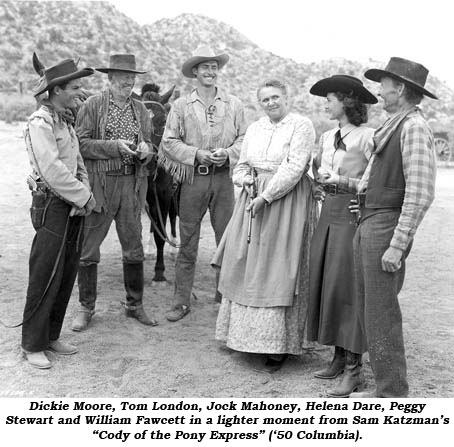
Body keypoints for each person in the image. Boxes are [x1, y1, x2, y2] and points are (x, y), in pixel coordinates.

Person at [212, 79, 317, 372]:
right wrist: (243, 179)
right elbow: (242, 164)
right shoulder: (256, 128)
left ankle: (279, 345)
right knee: (245, 263)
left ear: (287, 97)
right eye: (265, 100)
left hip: (286, 200)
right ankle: (243, 337)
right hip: (253, 197)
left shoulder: (301, 125)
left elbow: (296, 166)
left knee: (278, 267)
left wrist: (267, 196)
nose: (271, 103)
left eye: (275, 97)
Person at [347, 57, 437, 397]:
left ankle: (391, 392)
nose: (379, 92)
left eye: (383, 85)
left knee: (381, 310)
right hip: (372, 221)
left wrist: (398, 244)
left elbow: (419, 191)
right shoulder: (395, 125)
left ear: (399, 88)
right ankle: (387, 386)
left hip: (385, 227)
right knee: (372, 306)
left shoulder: (412, 127)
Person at [160, 45, 247, 322]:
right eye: (204, 67)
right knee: (188, 242)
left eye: (214, 67)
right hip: (193, 178)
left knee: (227, 240)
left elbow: (245, 139)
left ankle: (226, 297)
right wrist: (196, 153)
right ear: (195, 72)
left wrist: (228, 154)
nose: (210, 71)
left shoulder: (234, 104)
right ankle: (181, 300)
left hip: (223, 180)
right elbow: (169, 141)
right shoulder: (181, 105)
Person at [72, 54, 156, 331]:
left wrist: (146, 151)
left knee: (134, 249)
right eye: (122, 78)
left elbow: (150, 146)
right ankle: (86, 307)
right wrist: (114, 146)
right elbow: (81, 145)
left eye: (131, 79)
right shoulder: (93, 105)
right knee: (88, 250)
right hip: (101, 184)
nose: (128, 82)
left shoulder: (141, 109)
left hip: (131, 185)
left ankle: (135, 305)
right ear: (109, 79)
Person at [22, 54, 96, 369]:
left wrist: (84, 194)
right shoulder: (41, 122)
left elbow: (78, 164)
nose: (81, 91)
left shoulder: (64, 120)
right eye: (76, 86)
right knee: (45, 275)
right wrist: (84, 197)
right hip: (53, 206)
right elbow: (51, 169)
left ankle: (51, 336)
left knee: (65, 273)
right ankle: (32, 345)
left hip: (71, 206)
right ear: (57, 90)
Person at [306, 75, 377, 396]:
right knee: (328, 283)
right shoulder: (327, 136)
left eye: (330, 98)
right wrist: (318, 179)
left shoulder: (368, 137)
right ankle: (337, 356)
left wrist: (342, 182)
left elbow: (371, 182)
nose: (325, 104)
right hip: (328, 213)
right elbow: (320, 174)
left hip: (351, 215)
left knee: (348, 287)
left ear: (347, 101)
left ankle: (354, 369)